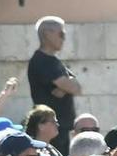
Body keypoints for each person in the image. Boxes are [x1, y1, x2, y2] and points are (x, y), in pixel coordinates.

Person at [26, 16, 83, 149]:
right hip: (49, 128)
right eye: (61, 34)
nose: (63, 38)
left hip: (61, 128)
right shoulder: (41, 60)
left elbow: (77, 87)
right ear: (47, 34)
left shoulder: (55, 62)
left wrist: (62, 88)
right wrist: (66, 86)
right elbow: (72, 86)